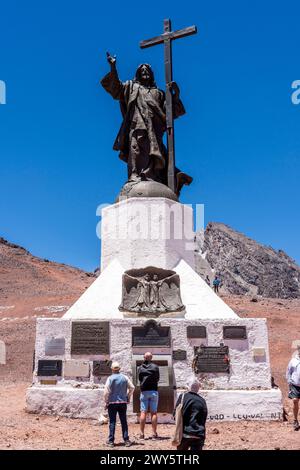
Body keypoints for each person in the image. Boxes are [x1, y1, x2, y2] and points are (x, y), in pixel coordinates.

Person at [101, 53, 192, 195]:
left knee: (153, 155)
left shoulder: (159, 93)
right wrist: (113, 67)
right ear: (137, 74)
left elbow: (171, 114)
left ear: (151, 75)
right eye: (142, 71)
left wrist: (176, 95)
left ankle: (153, 178)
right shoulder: (131, 88)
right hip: (136, 125)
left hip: (154, 131)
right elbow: (116, 88)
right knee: (135, 150)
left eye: (147, 71)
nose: (145, 72)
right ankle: (134, 176)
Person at [103, 361, 135, 447]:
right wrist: (128, 397)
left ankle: (111, 441)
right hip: (122, 402)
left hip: (112, 403)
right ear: (119, 369)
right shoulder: (125, 377)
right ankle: (126, 440)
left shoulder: (110, 378)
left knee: (112, 422)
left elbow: (106, 391)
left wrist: (106, 401)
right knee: (123, 421)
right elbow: (132, 387)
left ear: (112, 369)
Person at [174, 378, 207, 451]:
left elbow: (175, 415)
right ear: (198, 388)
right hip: (199, 434)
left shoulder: (182, 397)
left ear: (188, 386)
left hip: (185, 433)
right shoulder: (202, 400)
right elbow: (204, 418)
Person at [138, 352, 160, 439]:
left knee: (143, 412)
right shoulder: (155, 367)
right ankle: (154, 434)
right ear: (151, 357)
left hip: (144, 392)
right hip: (154, 391)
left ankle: (141, 434)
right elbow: (158, 378)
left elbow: (139, 378)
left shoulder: (140, 367)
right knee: (154, 413)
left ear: (144, 357)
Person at [286, 345, 300, 431]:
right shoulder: (293, 360)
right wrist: (289, 382)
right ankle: (295, 420)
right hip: (295, 385)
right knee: (295, 401)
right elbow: (288, 371)